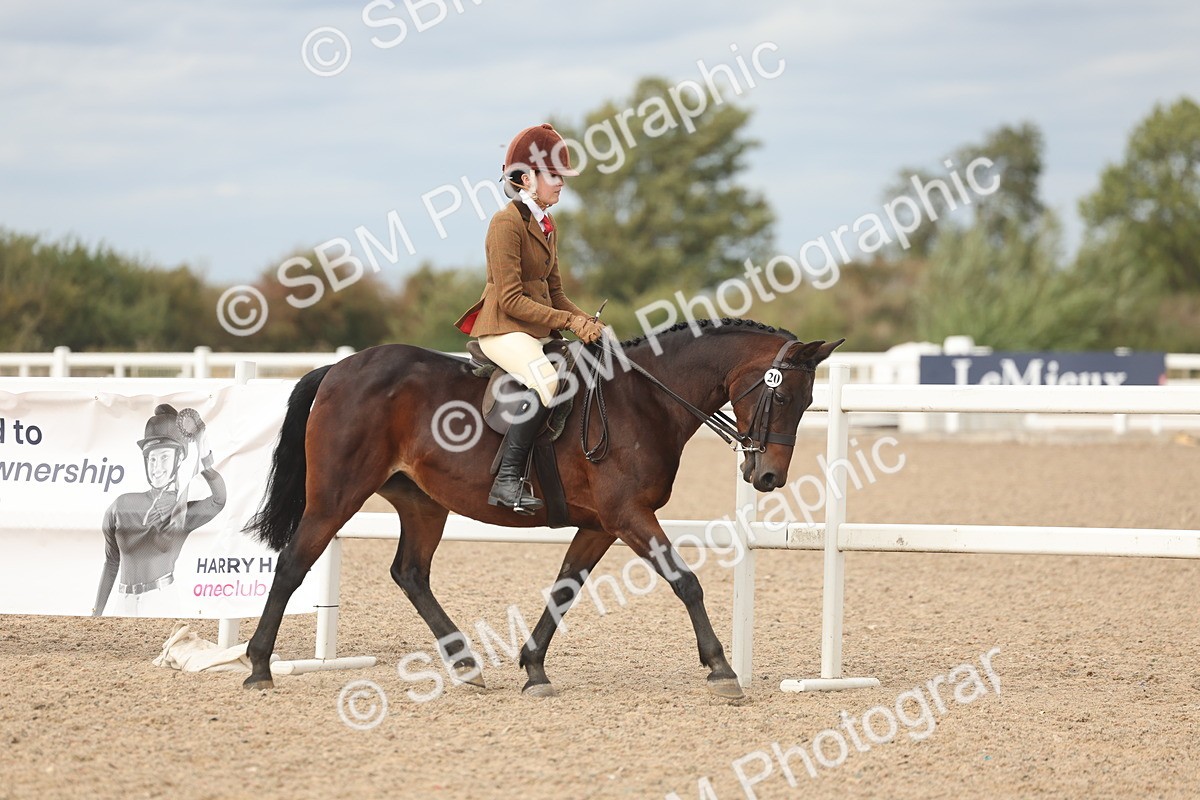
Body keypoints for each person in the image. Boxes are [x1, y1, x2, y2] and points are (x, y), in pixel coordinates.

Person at [455, 122, 604, 514]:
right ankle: (506, 481)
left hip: (532, 330)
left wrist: (587, 321)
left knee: (590, 363)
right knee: (549, 379)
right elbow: (511, 298)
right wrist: (570, 324)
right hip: (503, 328)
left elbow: (556, 293)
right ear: (525, 179)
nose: (561, 184)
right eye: (553, 176)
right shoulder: (505, 224)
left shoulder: (547, 226)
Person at [92, 404, 226, 616]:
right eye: (152, 458)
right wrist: (97, 612)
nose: (157, 466)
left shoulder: (181, 511)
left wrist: (205, 461)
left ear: (179, 458)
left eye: (164, 457)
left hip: (161, 600)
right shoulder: (121, 505)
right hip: (123, 601)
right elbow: (111, 561)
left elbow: (219, 500)